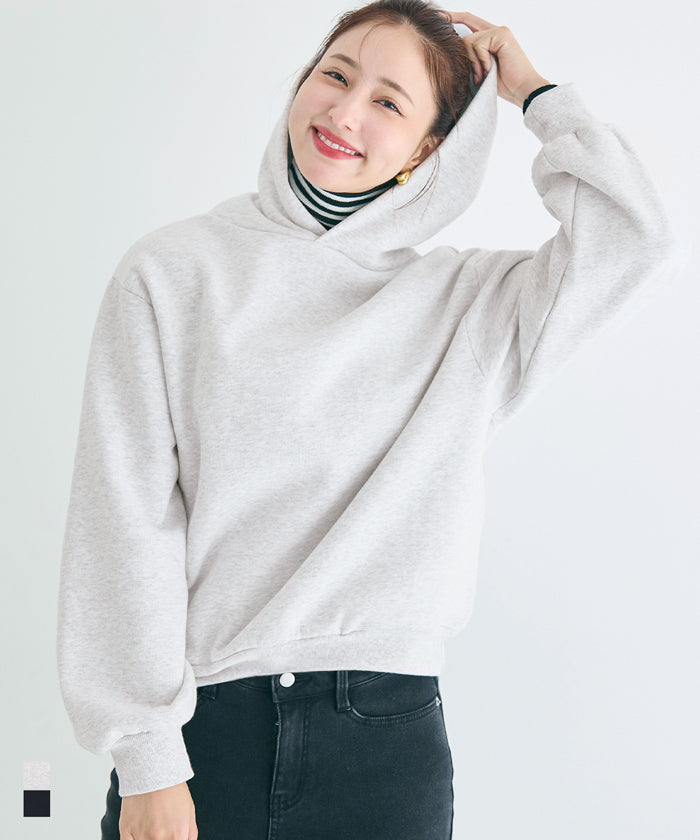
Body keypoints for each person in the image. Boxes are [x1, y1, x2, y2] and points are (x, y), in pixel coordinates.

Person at [55, 1, 683, 838]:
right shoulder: (171, 274)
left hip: (383, 742)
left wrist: (536, 94)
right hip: (203, 737)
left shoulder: (469, 307)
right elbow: (124, 521)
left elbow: (633, 238)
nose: (346, 112)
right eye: (335, 75)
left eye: (389, 101)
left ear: (428, 148)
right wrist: (146, 758)